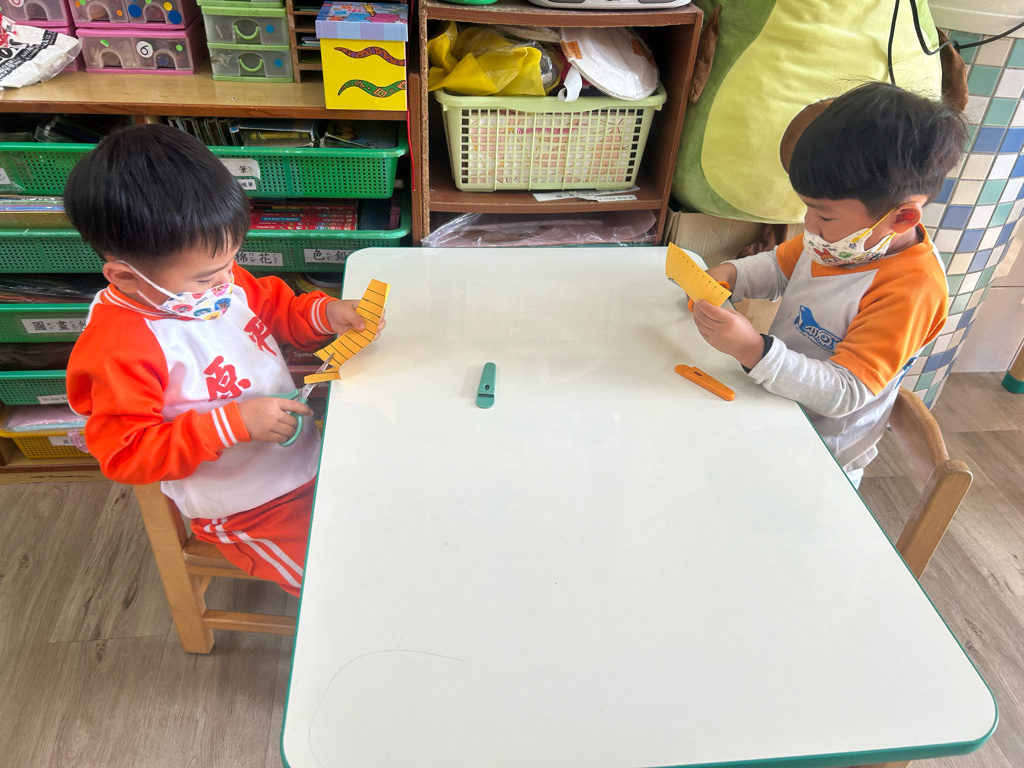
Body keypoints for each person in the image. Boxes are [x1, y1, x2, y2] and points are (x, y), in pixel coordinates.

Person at [64, 124, 381, 595]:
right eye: (207, 278)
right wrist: (231, 425)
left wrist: (325, 313)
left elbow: (277, 309)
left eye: (231, 263)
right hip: (247, 507)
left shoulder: (216, 281)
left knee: (388, 528)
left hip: (308, 457)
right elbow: (127, 454)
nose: (227, 283)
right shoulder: (120, 348)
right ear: (125, 278)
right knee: (341, 589)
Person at [688, 82, 966, 487]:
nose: (809, 226)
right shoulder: (838, 242)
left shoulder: (913, 289)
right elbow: (779, 267)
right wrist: (731, 275)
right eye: (807, 209)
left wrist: (752, 349)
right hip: (769, 408)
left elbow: (845, 393)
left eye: (824, 216)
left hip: (819, 458)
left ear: (903, 217)